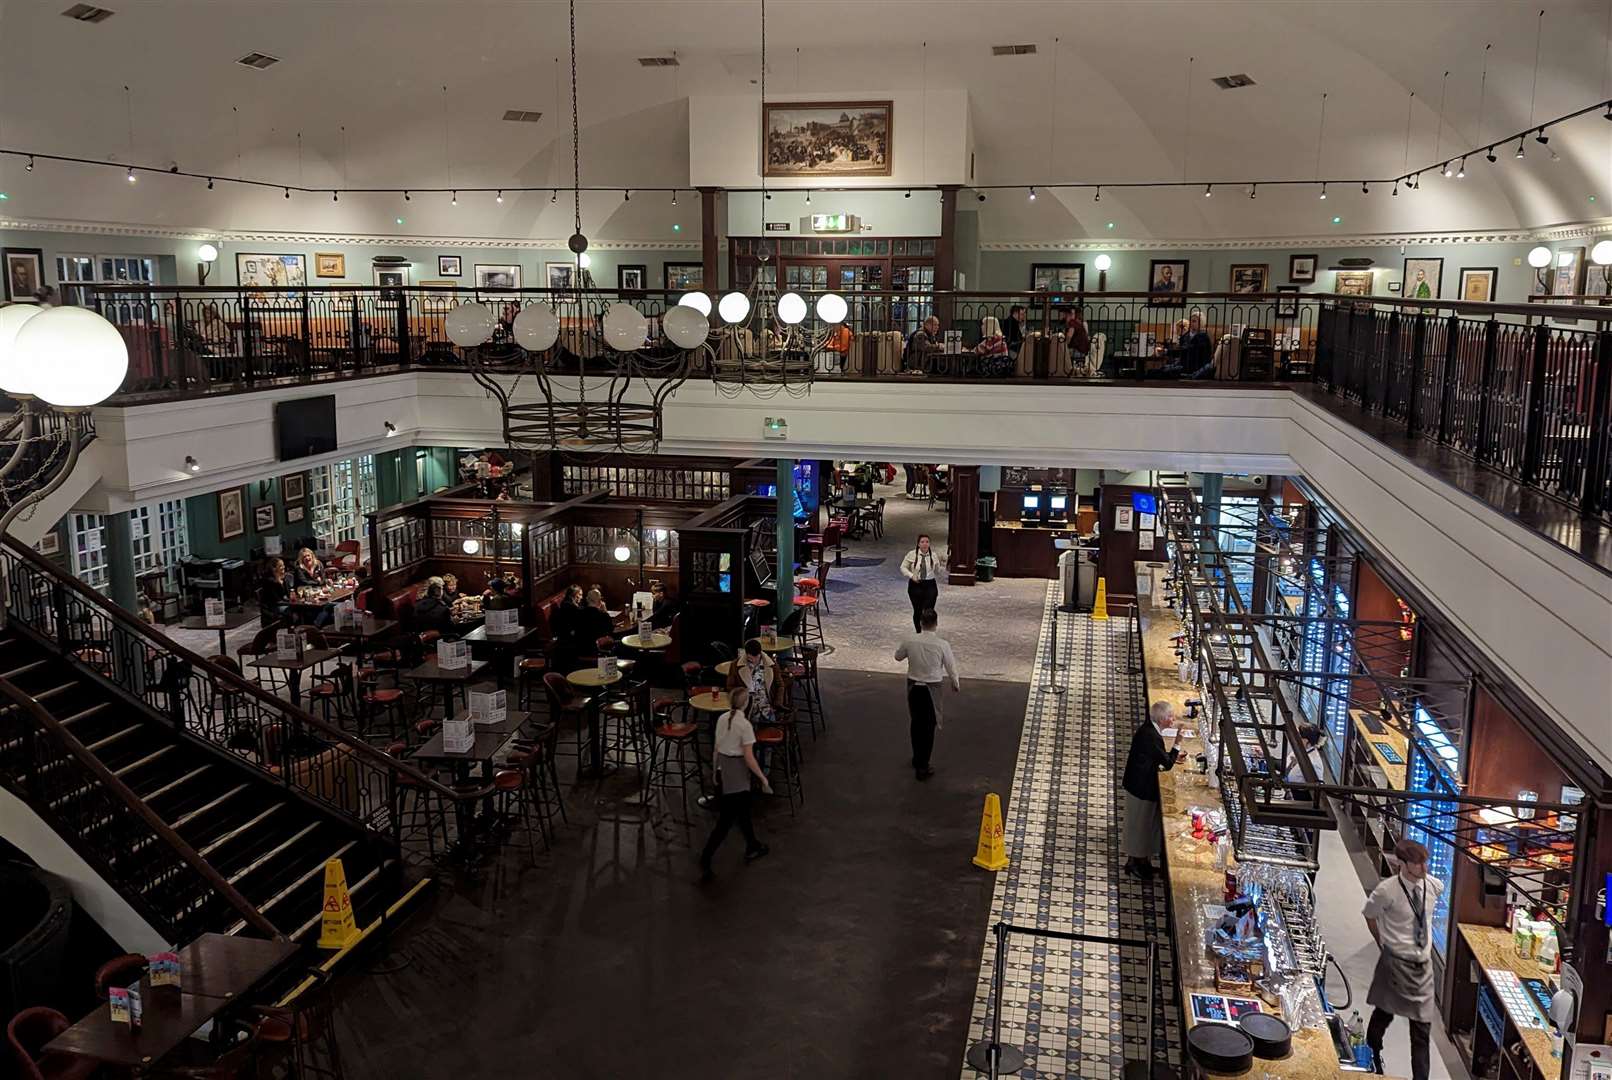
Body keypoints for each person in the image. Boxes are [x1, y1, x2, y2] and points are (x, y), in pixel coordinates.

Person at [1363, 839, 1442, 1080]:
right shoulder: (1387, 891)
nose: (1423, 868)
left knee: (1421, 1029)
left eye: (1424, 862)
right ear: (1402, 864)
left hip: (1422, 965)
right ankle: (1372, 1052)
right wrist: (1383, 944)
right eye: (1417, 864)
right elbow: (1369, 915)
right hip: (1395, 962)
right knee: (1384, 1013)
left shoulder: (1435, 886)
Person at [698, 686, 771, 880]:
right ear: (746, 704)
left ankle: (752, 845)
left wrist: (715, 773)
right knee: (726, 822)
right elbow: (749, 758)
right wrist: (763, 778)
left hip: (724, 772)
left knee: (743, 813)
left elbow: (716, 749)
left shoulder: (722, 719)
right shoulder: (744, 726)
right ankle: (706, 857)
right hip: (737, 776)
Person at [894, 608, 959, 780]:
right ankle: (924, 766)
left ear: (921, 623)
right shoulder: (942, 644)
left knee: (916, 723)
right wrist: (955, 682)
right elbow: (950, 666)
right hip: (933, 688)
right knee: (929, 727)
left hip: (914, 687)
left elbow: (897, 657)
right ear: (936, 624)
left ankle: (917, 758)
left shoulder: (910, 640)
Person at [1121, 700, 1183, 879]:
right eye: (1170, 717)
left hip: (1139, 783)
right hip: (1141, 787)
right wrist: (1177, 742)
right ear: (1162, 719)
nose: (1172, 720)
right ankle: (1135, 863)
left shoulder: (1149, 730)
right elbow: (1168, 762)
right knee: (1140, 826)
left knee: (1142, 826)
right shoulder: (1151, 736)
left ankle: (1142, 862)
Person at [725, 637, 780, 720]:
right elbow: (730, 687)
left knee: (771, 728)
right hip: (747, 709)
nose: (753, 660)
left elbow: (780, 685)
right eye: (750, 658)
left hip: (768, 708)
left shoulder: (771, 664)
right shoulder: (735, 665)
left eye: (755, 658)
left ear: (760, 654)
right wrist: (742, 697)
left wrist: (777, 703)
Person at [1150, 312, 1215, 379]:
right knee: (1158, 370)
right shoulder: (1188, 334)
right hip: (1183, 364)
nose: (1191, 323)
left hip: (1194, 367)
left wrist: (1166, 351)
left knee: (1157, 373)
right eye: (1190, 321)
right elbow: (1182, 348)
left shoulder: (1202, 336)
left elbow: (1187, 350)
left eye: (1194, 321)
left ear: (1200, 323)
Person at [900, 533, 941, 634]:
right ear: (918, 544)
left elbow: (937, 571)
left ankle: (928, 631)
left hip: (930, 584)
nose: (925, 544)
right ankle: (918, 632)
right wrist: (911, 575)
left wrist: (937, 566)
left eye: (927, 542)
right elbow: (903, 567)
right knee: (918, 611)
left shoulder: (934, 555)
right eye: (922, 542)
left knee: (929, 611)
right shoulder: (912, 554)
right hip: (916, 585)